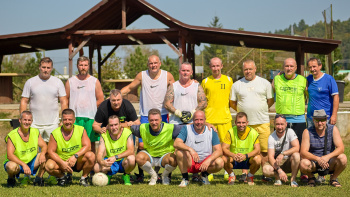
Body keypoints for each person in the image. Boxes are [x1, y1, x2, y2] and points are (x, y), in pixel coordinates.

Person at [230, 59, 274, 182]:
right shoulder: (237, 85)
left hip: (262, 122)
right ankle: (245, 174)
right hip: (245, 125)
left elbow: (270, 101)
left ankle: (264, 175)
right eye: (246, 69)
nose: (248, 71)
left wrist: (260, 109)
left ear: (255, 69)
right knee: (246, 149)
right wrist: (242, 111)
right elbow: (232, 102)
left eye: (250, 69)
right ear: (243, 70)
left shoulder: (265, 83)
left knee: (264, 151)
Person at [273, 58, 308, 182]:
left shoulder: (303, 80)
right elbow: (272, 92)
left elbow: (309, 96)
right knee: (278, 148)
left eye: (291, 66)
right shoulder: (276, 79)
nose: (289, 68)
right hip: (281, 120)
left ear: (296, 67)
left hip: (299, 120)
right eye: (286, 66)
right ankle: (278, 174)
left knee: (301, 149)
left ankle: (304, 173)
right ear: (283, 67)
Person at [20, 57, 68, 143]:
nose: (46, 70)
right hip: (34, 124)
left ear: (52, 68)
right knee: (34, 150)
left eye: (48, 68)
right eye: (44, 67)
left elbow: (63, 101)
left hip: (53, 124)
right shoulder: (30, 82)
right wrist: (23, 119)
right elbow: (24, 101)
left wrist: (63, 120)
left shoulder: (58, 82)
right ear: (39, 67)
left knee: (51, 151)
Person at [130, 108, 181, 185]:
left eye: (156, 120)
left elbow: (187, 129)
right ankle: (154, 176)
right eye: (151, 120)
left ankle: (165, 176)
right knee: (138, 157)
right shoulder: (142, 127)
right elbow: (127, 127)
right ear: (148, 120)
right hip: (149, 156)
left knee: (174, 160)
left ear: (161, 119)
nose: (154, 122)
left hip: (164, 157)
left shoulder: (171, 128)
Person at [45, 109, 95, 187]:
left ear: (74, 120)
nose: (67, 122)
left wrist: (75, 156)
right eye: (65, 119)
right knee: (49, 166)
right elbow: (51, 151)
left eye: (70, 119)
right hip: (62, 162)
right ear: (62, 120)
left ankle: (83, 178)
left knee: (91, 156)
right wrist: (62, 163)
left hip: (77, 161)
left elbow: (87, 146)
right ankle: (62, 177)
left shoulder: (80, 130)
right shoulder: (55, 133)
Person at [201, 57, 233, 181]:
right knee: (210, 148)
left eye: (217, 66)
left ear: (222, 66)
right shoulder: (205, 81)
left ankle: (227, 171)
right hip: (210, 120)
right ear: (210, 67)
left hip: (225, 119)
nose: (215, 68)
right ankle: (210, 171)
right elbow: (202, 100)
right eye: (213, 66)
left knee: (226, 148)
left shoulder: (229, 80)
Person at [174, 110, 223, 187]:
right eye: (196, 119)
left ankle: (204, 175)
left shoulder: (211, 131)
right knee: (179, 152)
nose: (199, 122)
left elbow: (219, 151)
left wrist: (208, 161)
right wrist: (190, 149)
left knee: (220, 162)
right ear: (193, 120)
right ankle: (185, 179)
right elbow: (176, 143)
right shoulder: (186, 128)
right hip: (190, 162)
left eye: (201, 119)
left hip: (205, 163)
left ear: (205, 120)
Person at [65, 56, 104, 153]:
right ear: (77, 66)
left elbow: (101, 99)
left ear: (88, 66)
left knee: (91, 144)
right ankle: (75, 165)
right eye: (81, 65)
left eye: (85, 65)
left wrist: (89, 107)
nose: (83, 67)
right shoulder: (70, 81)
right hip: (75, 118)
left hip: (90, 117)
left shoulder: (95, 81)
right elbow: (65, 99)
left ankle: (91, 167)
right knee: (75, 142)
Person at [300, 109, 347, 187]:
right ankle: (311, 178)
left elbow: (341, 148)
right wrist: (318, 159)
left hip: (329, 162)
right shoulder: (307, 132)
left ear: (326, 119)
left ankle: (333, 179)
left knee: (343, 158)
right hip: (314, 163)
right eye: (317, 120)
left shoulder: (333, 129)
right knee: (303, 163)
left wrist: (327, 157)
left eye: (322, 120)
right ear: (313, 120)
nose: (320, 123)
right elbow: (303, 152)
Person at [4, 111, 47, 187]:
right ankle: (11, 178)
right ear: (20, 120)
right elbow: (10, 156)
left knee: (47, 154)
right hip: (17, 163)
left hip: (31, 161)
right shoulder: (12, 135)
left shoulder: (35, 131)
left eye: (29, 120)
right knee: (11, 167)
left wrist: (43, 154)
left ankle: (39, 178)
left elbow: (44, 146)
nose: (27, 122)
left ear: (32, 121)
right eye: (25, 120)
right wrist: (23, 164)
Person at [94, 115, 135, 185]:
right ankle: (108, 175)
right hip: (111, 162)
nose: (114, 127)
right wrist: (102, 162)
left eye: (116, 125)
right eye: (111, 125)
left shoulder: (127, 132)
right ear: (108, 126)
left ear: (120, 125)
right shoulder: (104, 134)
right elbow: (100, 153)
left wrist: (116, 157)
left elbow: (131, 150)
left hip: (123, 161)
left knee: (131, 159)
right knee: (96, 167)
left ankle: (126, 175)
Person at [222, 112, 261, 185]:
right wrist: (233, 155)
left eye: (243, 122)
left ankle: (250, 176)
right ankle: (231, 175)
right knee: (223, 159)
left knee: (258, 159)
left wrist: (245, 156)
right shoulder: (230, 131)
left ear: (247, 123)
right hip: (234, 158)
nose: (241, 125)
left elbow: (258, 150)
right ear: (235, 122)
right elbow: (224, 148)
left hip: (248, 159)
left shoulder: (253, 132)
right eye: (239, 123)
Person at [262, 114, 300, 187]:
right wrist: (279, 170)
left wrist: (283, 153)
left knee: (296, 155)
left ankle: (293, 180)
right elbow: (270, 157)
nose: (280, 127)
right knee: (265, 169)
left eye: (282, 124)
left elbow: (297, 147)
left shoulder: (290, 132)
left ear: (286, 124)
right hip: (277, 162)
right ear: (274, 124)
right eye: (277, 124)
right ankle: (278, 178)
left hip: (288, 161)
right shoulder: (271, 137)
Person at [306, 57, 339, 127]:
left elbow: (336, 97)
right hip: (311, 118)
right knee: (311, 138)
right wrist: (282, 74)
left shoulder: (329, 79)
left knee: (326, 138)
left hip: (325, 118)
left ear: (320, 66)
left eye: (314, 66)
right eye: (310, 67)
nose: (312, 69)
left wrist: (334, 115)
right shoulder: (308, 79)